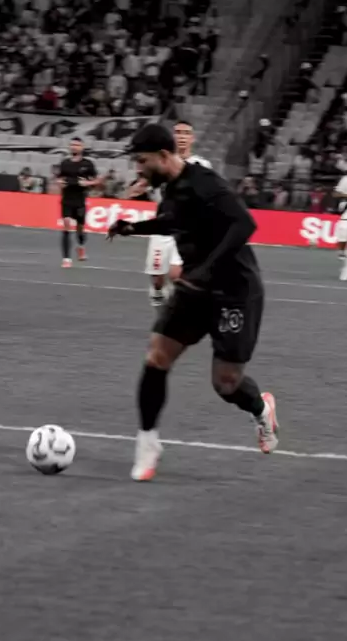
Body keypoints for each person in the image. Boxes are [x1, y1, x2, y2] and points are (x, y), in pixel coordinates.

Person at [108, 123, 278, 482]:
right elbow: (174, 221)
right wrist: (133, 228)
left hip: (235, 290)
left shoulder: (206, 183)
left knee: (226, 383)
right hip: (195, 288)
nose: (138, 169)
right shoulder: (170, 189)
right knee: (157, 356)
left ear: (163, 156)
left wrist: (207, 269)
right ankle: (148, 443)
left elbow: (244, 224)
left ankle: (261, 408)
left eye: (142, 161)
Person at [143, 120, 212, 306]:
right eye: (178, 132)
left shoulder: (201, 165)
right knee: (157, 280)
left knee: (176, 275)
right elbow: (150, 187)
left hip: (186, 229)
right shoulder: (161, 161)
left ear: (192, 138)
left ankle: (173, 313)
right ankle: (158, 297)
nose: (182, 137)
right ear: (172, 136)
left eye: (186, 133)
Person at [57, 138, 104, 267]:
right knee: (66, 225)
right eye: (72, 144)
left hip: (80, 200)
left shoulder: (88, 164)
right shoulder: (65, 163)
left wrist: (87, 183)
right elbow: (59, 178)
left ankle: (81, 246)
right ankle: (66, 259)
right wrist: (59, 183)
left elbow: (98, 181)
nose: (74, 147)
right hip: (66, 199)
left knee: (80, 228)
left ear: (82, 147)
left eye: (77, 145)